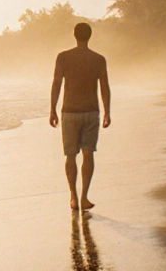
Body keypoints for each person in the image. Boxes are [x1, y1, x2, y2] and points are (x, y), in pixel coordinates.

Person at [49, 22, 111, 211]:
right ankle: (84, 196)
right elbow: (105, 87)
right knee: (88, 154)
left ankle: (73, 197)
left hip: (69, 112)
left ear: (74, 35)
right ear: (90, 36)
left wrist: (52, 109)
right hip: (91, 111)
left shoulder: (64, 58)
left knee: (70, 155)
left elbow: (57, 83)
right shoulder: (98, 59)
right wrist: (107, 111)